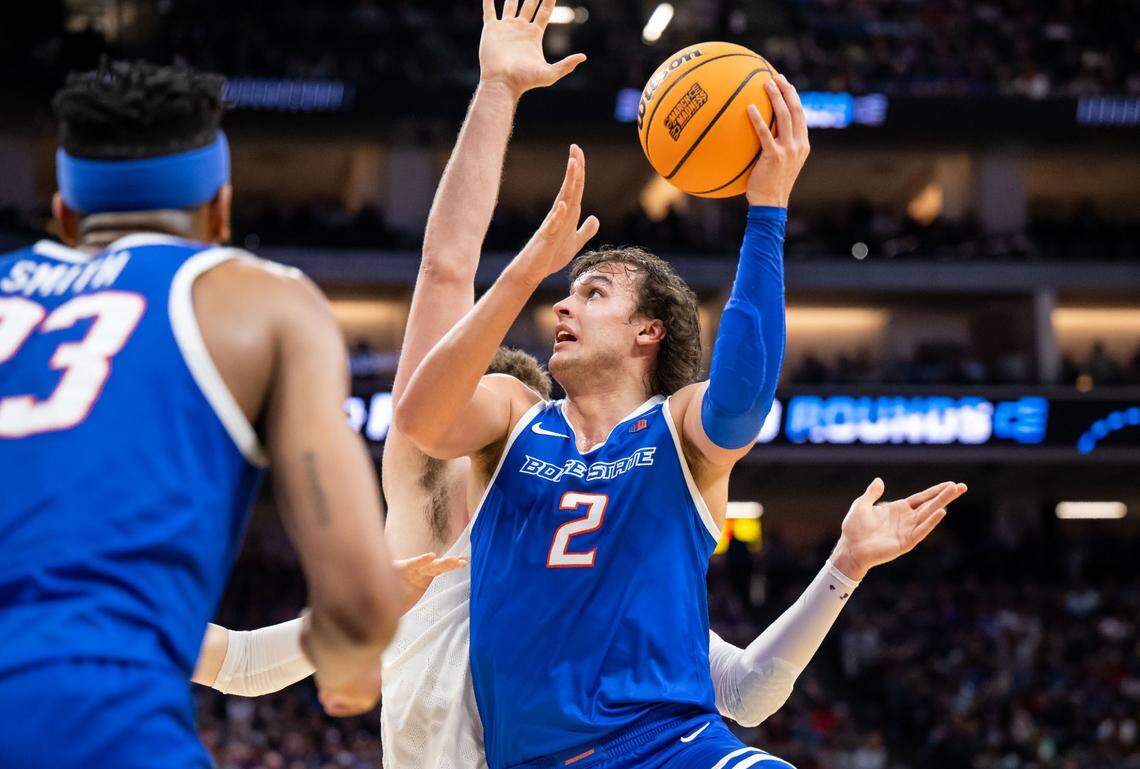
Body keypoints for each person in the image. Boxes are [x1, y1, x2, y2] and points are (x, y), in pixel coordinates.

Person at [395, 9, 964, 764]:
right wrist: (522, 272)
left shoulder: (678, 428)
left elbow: (738, 404)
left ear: (649, 331)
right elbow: (422, 417)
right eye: (566, 291)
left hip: (673, 745)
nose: (563, 304)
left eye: (593, 291)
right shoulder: (514, 418)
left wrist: (766, 212)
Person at [0, 60, 403, 768]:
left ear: (64, 216)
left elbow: (241, 660)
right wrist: (347, 670)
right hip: (93, 721)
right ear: (220, 209)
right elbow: (358, 611)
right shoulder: (261, 301)